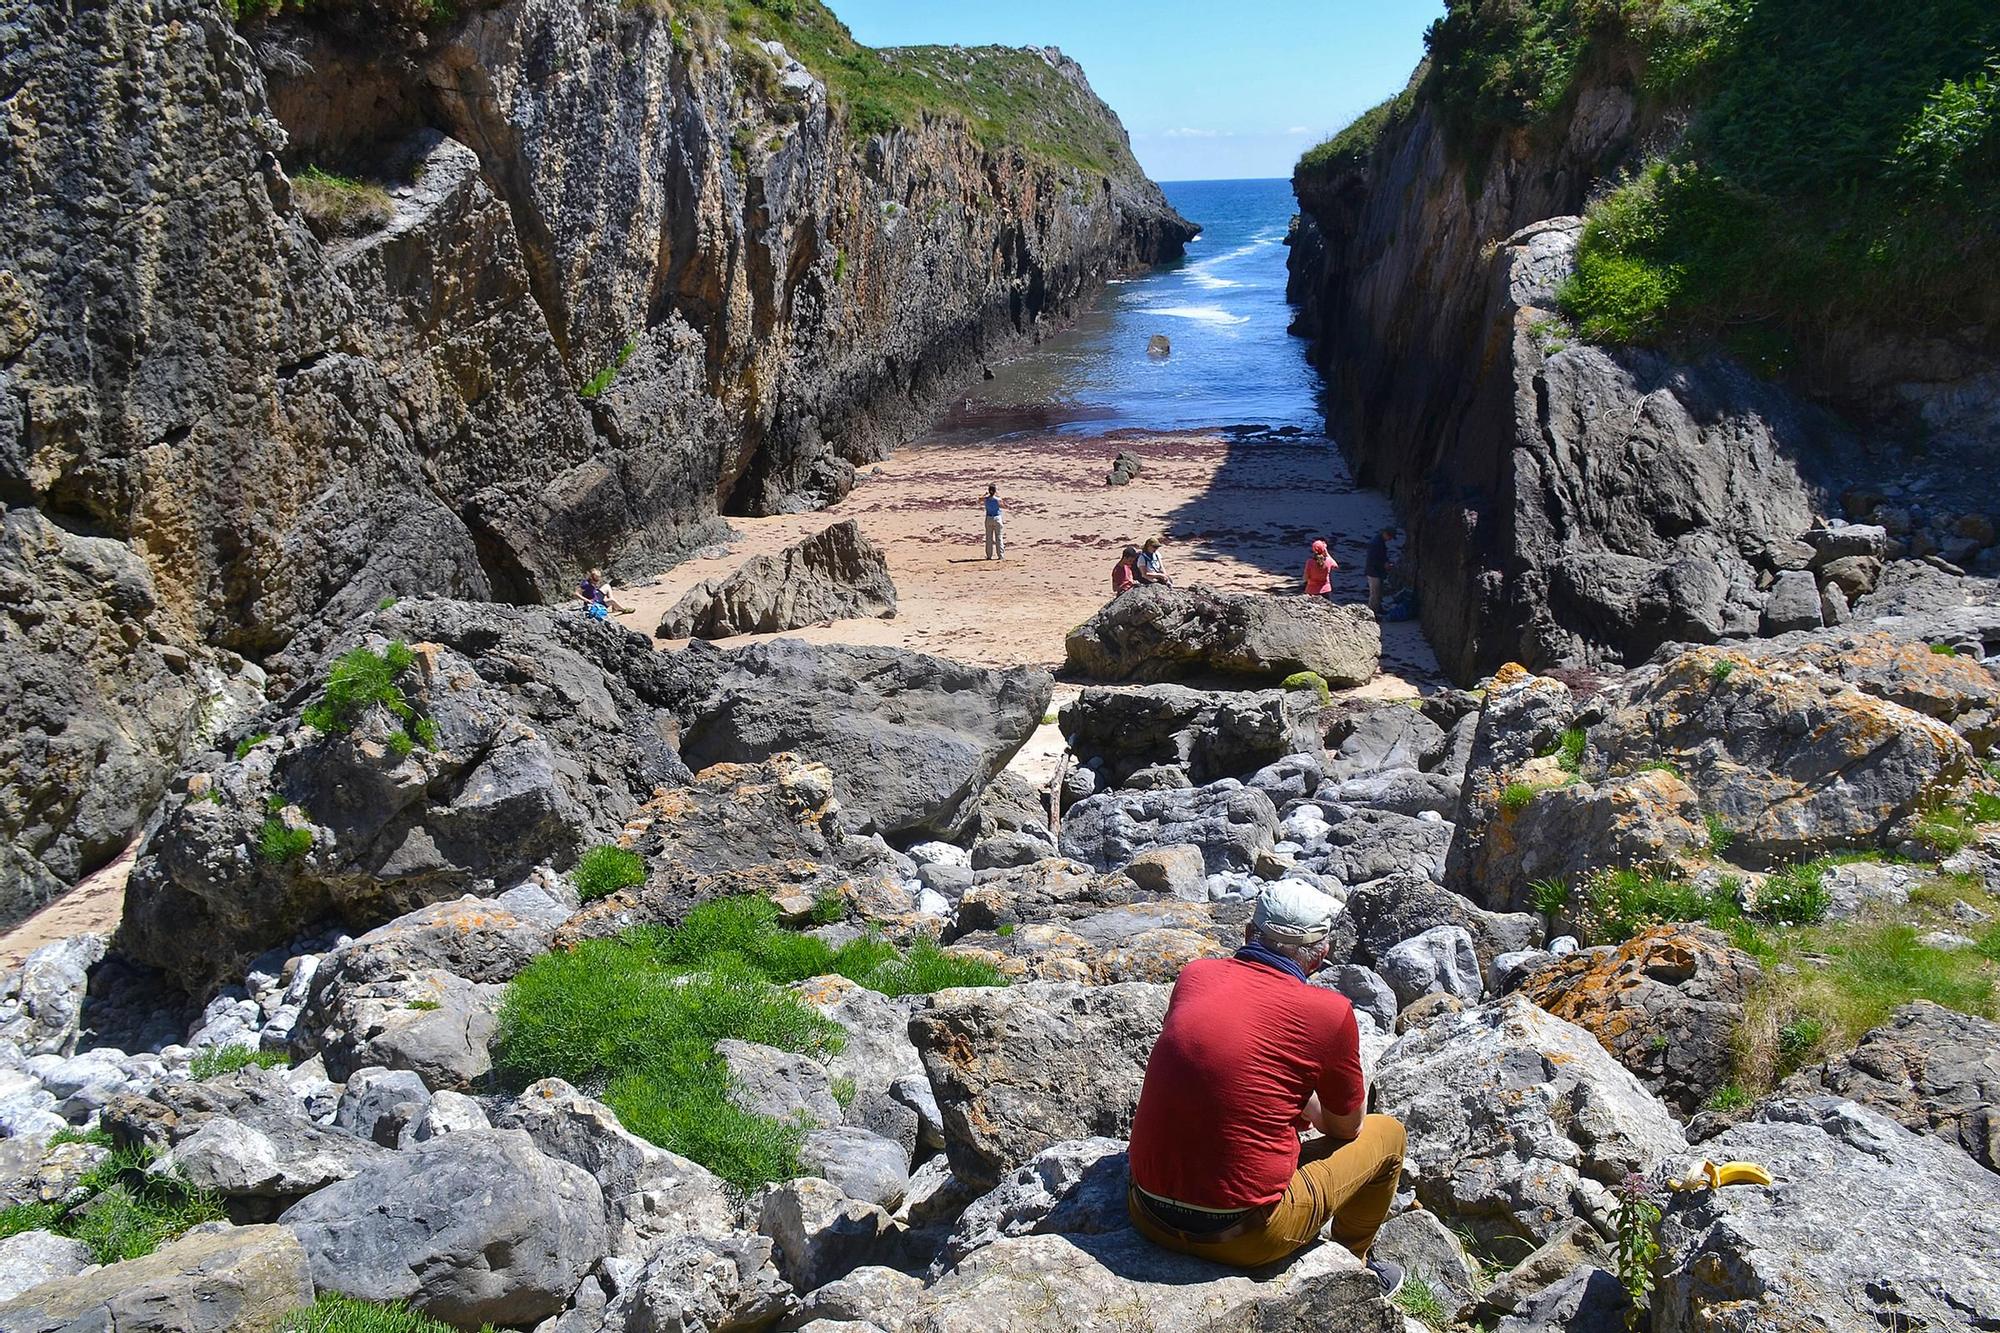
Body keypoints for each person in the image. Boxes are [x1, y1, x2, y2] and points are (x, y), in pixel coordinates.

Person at [1126, 881, 1407, 1291]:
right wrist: (1309, 1106)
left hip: (1145, 1214)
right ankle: (1355, 1271)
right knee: (1389, 1136)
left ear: (1247, 933)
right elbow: (1348, 1128)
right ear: (1320, 954)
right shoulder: (1328, 1013)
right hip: (1245, 1238)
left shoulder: (1196, 975)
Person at [1365, 527, 1395, 615]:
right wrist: (1384, 565)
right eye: (1390, 537)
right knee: (1374, 594)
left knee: (1378, 593)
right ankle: (1372, 613)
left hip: (1376, 571)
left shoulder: (1379, 542)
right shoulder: (1376, 543)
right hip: (1374, 572)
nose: (1390, 539)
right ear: (1385, 534)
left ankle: (1378, 609)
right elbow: (1374, 559)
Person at [983, 484, 1005, 560]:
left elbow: (978, 500)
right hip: (997, 518)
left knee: (989, 538)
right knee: (998, 537)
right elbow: (1003, 505)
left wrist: (985, 495)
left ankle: (989, 555)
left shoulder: (986, 499)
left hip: (989, 518)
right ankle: (1000, 555)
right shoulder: (998, 499)